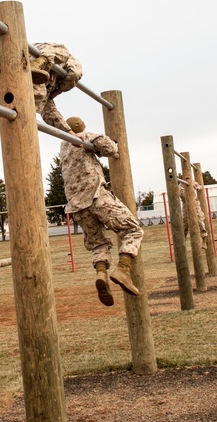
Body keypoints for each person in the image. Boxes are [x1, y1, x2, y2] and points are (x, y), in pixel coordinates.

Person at [59, 116, 143, 306]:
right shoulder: (84, 136)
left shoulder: (63, 145)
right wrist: (113, 144)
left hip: (76, 205)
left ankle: (102, 274)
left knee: (98, 244)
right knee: (132, 229)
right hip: (96, 196)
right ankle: (123, 268)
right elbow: (110, 148)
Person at [0, 43, 82, 131]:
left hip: (25, 71)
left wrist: (69, 132)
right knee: (62, 51)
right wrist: (59, 90)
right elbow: (75, 73)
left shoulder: (46, 88)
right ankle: (37, 65)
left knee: (38, 96)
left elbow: (49, 114)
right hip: (36, 56)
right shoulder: (68, 60)